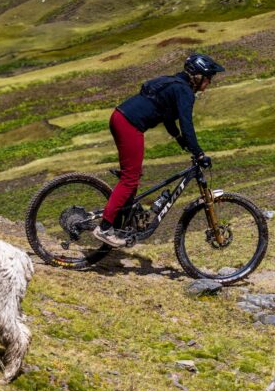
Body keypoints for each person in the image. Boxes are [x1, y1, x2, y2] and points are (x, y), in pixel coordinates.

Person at [93, 53, 225, 247]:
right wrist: (199, 153)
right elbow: (187, 124)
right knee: (130, 178)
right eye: (208, 78)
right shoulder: (185, 91)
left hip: (121, 117)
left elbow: (168, 116)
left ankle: (123, 221)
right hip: (129, 124)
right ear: (197, 77)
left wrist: (179, 138)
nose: (209, 83)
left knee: (132, 177)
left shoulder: (175, 83)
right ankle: (104, 228)